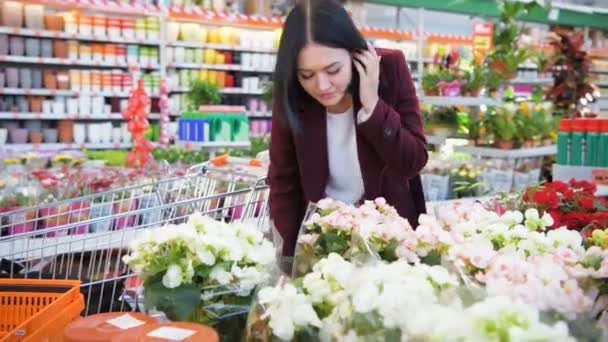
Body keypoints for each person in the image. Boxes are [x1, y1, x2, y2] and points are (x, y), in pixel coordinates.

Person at [268, 0, 428, 256]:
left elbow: (412, 161)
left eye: (333, 70)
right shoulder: (292, 91)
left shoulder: (391, 69)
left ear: (356, 54)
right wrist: (289, 259)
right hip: (323, 241)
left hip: (390, 240)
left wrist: (373, 106)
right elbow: (283, 181)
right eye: (306, 75)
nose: (322, 86)